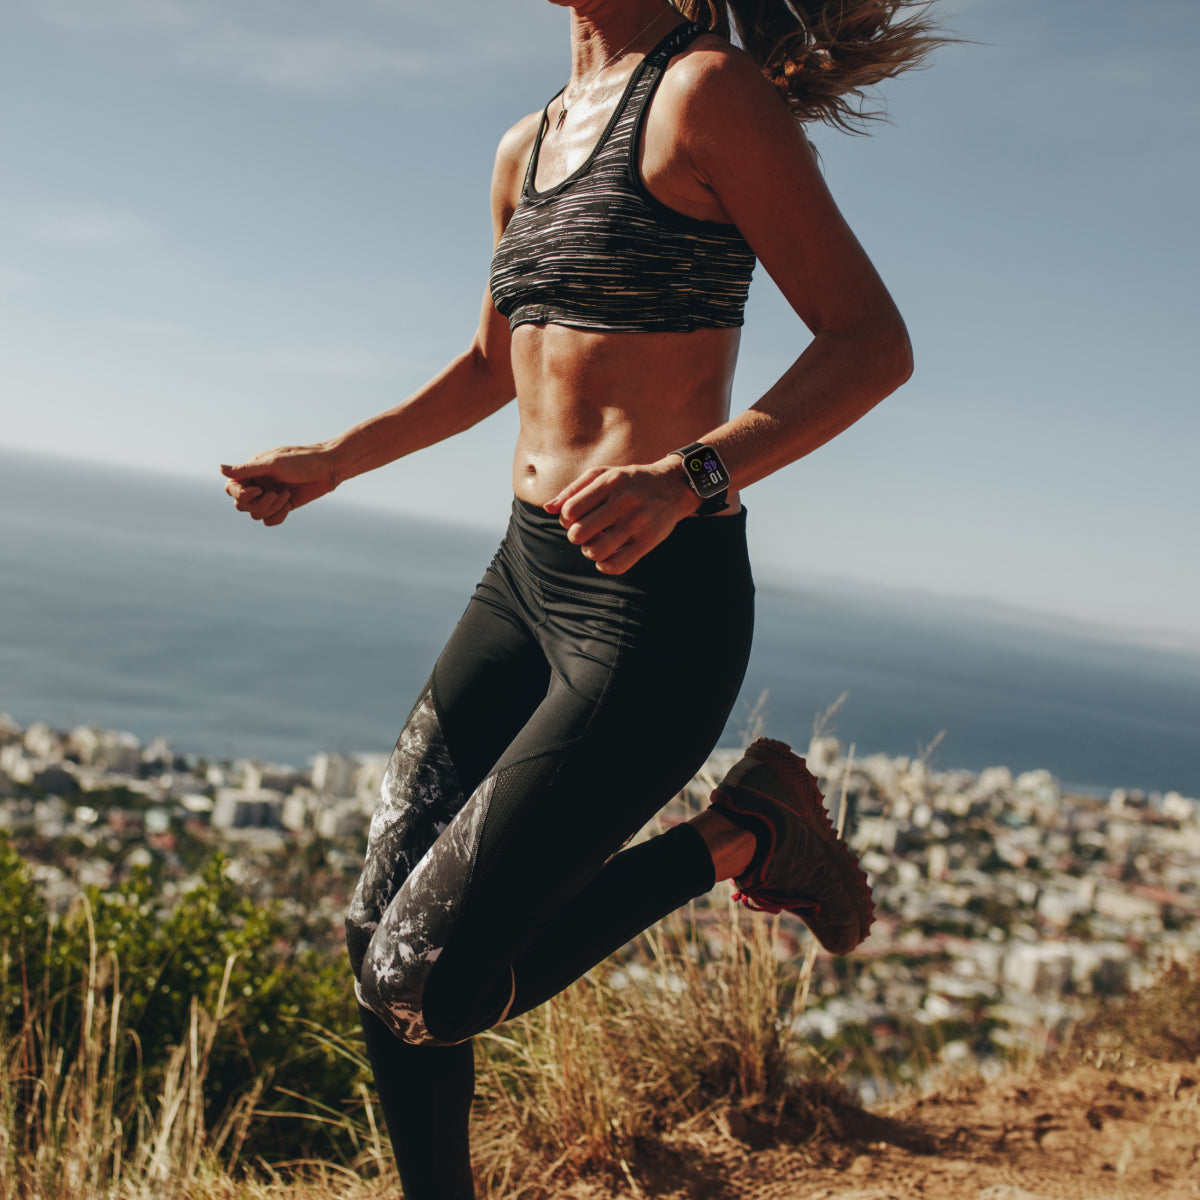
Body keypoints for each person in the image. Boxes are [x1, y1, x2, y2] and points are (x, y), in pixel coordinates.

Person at [222, 1, 944, 1195]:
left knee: (429, 979)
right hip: (524, 577)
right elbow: (492, 362)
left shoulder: (707, 95)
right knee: (373, 943)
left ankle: (750, 834)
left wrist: (687, 476)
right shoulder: (530, 142)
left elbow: (873, 343)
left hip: (656, 610)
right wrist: (334, 460)